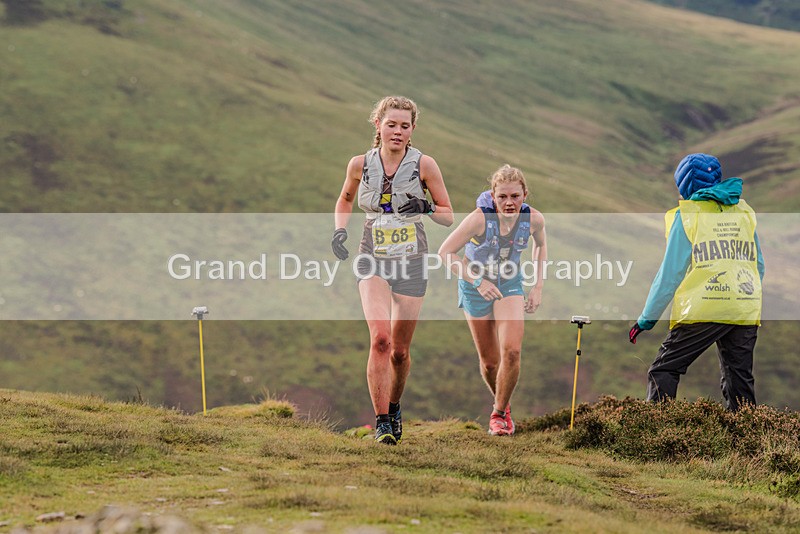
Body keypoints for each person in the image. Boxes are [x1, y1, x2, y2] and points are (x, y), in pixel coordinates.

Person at [331, 96, 453, 445]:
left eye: (404, 126)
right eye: (391, 124)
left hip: (412, 260)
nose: (397, 131)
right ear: (378, 125)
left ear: (413, 130)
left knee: (399, 351)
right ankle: (382, 422)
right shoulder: (359, 164)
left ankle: (395, 406)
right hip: (372, 256)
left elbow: (448, 215)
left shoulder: (424, 165)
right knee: (380, 340)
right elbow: (345, 199)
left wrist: (426, 207)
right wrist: (340, 230)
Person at [629, 153, 764, 411]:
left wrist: (646, 319)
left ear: (685, 185)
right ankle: (748, 445)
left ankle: (657, 434)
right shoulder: (744, 211)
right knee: (739, 380)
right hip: (745, 307)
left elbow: (670, 275)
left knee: (664, 369)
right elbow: (758, 266)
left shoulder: (688, 214)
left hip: (704, 305)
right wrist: (744, 297)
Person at [438, 165, 546, 435]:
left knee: (512, 351)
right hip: (475, 287)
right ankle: (503, 404)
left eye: (515, 196)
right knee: (489, 362)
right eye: (502, 197)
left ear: (524, 195)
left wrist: (537, 286)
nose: (509, 203)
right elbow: (445, 253)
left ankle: (498, 414)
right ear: (493, 195)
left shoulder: (534, 219)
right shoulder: (478, 220)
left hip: (509, 284)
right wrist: (477, 281)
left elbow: (541, 245)